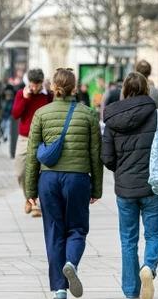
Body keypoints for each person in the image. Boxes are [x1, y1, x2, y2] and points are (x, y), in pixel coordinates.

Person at [25, 68, 103, 299]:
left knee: (54, 232)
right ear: (74, 87)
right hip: (77, 178)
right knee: (77, 229)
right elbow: (95, 155)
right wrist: (96, 188)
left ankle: (59, 289)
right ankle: (71, 263)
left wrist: (30, 190)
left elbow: (32, 155)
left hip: (48, 179)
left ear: (53, 88)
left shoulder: (41, 113)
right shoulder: (88, 114)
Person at [101, 72, 158, 299]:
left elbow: (107, 157)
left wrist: (122, 170)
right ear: (146, 89)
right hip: (153, 185)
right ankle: (149, 267)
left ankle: (131, 292)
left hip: (125, 188)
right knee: (154, 235)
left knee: (128, 240)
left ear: (124, 89)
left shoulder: (112, 119)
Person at [11, 69, 52, 218]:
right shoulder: (22, 93)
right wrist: (25, 98)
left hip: (42, 138)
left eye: (37, 85)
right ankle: (28, 197)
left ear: (42, 83)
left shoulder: (48, 96)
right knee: (21, 171)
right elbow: (15, 114)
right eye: (32, 85)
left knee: (40, 172)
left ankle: (36, 204)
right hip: (25, 138)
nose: (34, 88)